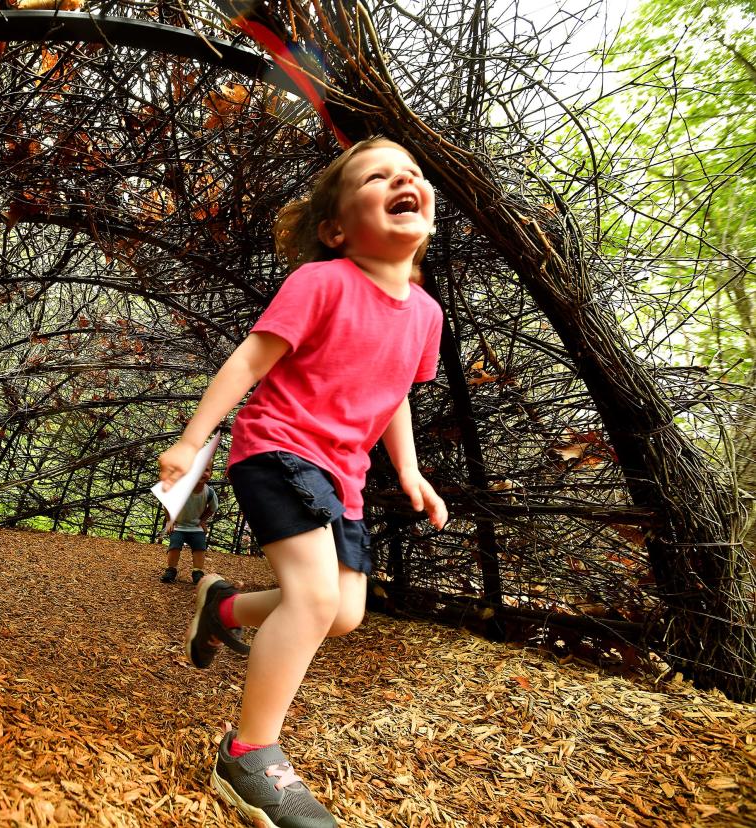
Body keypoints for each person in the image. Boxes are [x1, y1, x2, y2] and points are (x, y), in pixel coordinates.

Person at [158, 137, 449, 828]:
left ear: (429, 215)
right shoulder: (323, 282)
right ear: (337, 228)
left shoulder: (427, 313)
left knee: (343, 613)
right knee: (314, 599)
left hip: (342, 474)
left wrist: (408, 469)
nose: (401, 179)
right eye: (377, 175)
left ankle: (222, 610)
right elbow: (248, 362)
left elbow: (396, 393)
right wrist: (191, 440)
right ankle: (247, 752)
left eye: (411, 173)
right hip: (279, 447)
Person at [160, 468, 219, 584]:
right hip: (178, 526)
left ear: (211, 474)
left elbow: (213, 507)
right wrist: (169, 521)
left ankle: (197, 572)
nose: (202, 472)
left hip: (196, 527)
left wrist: (203, 520)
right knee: (174, 546)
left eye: (206, 470)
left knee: (200, 548)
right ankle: (171, 569)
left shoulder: (209, 492)